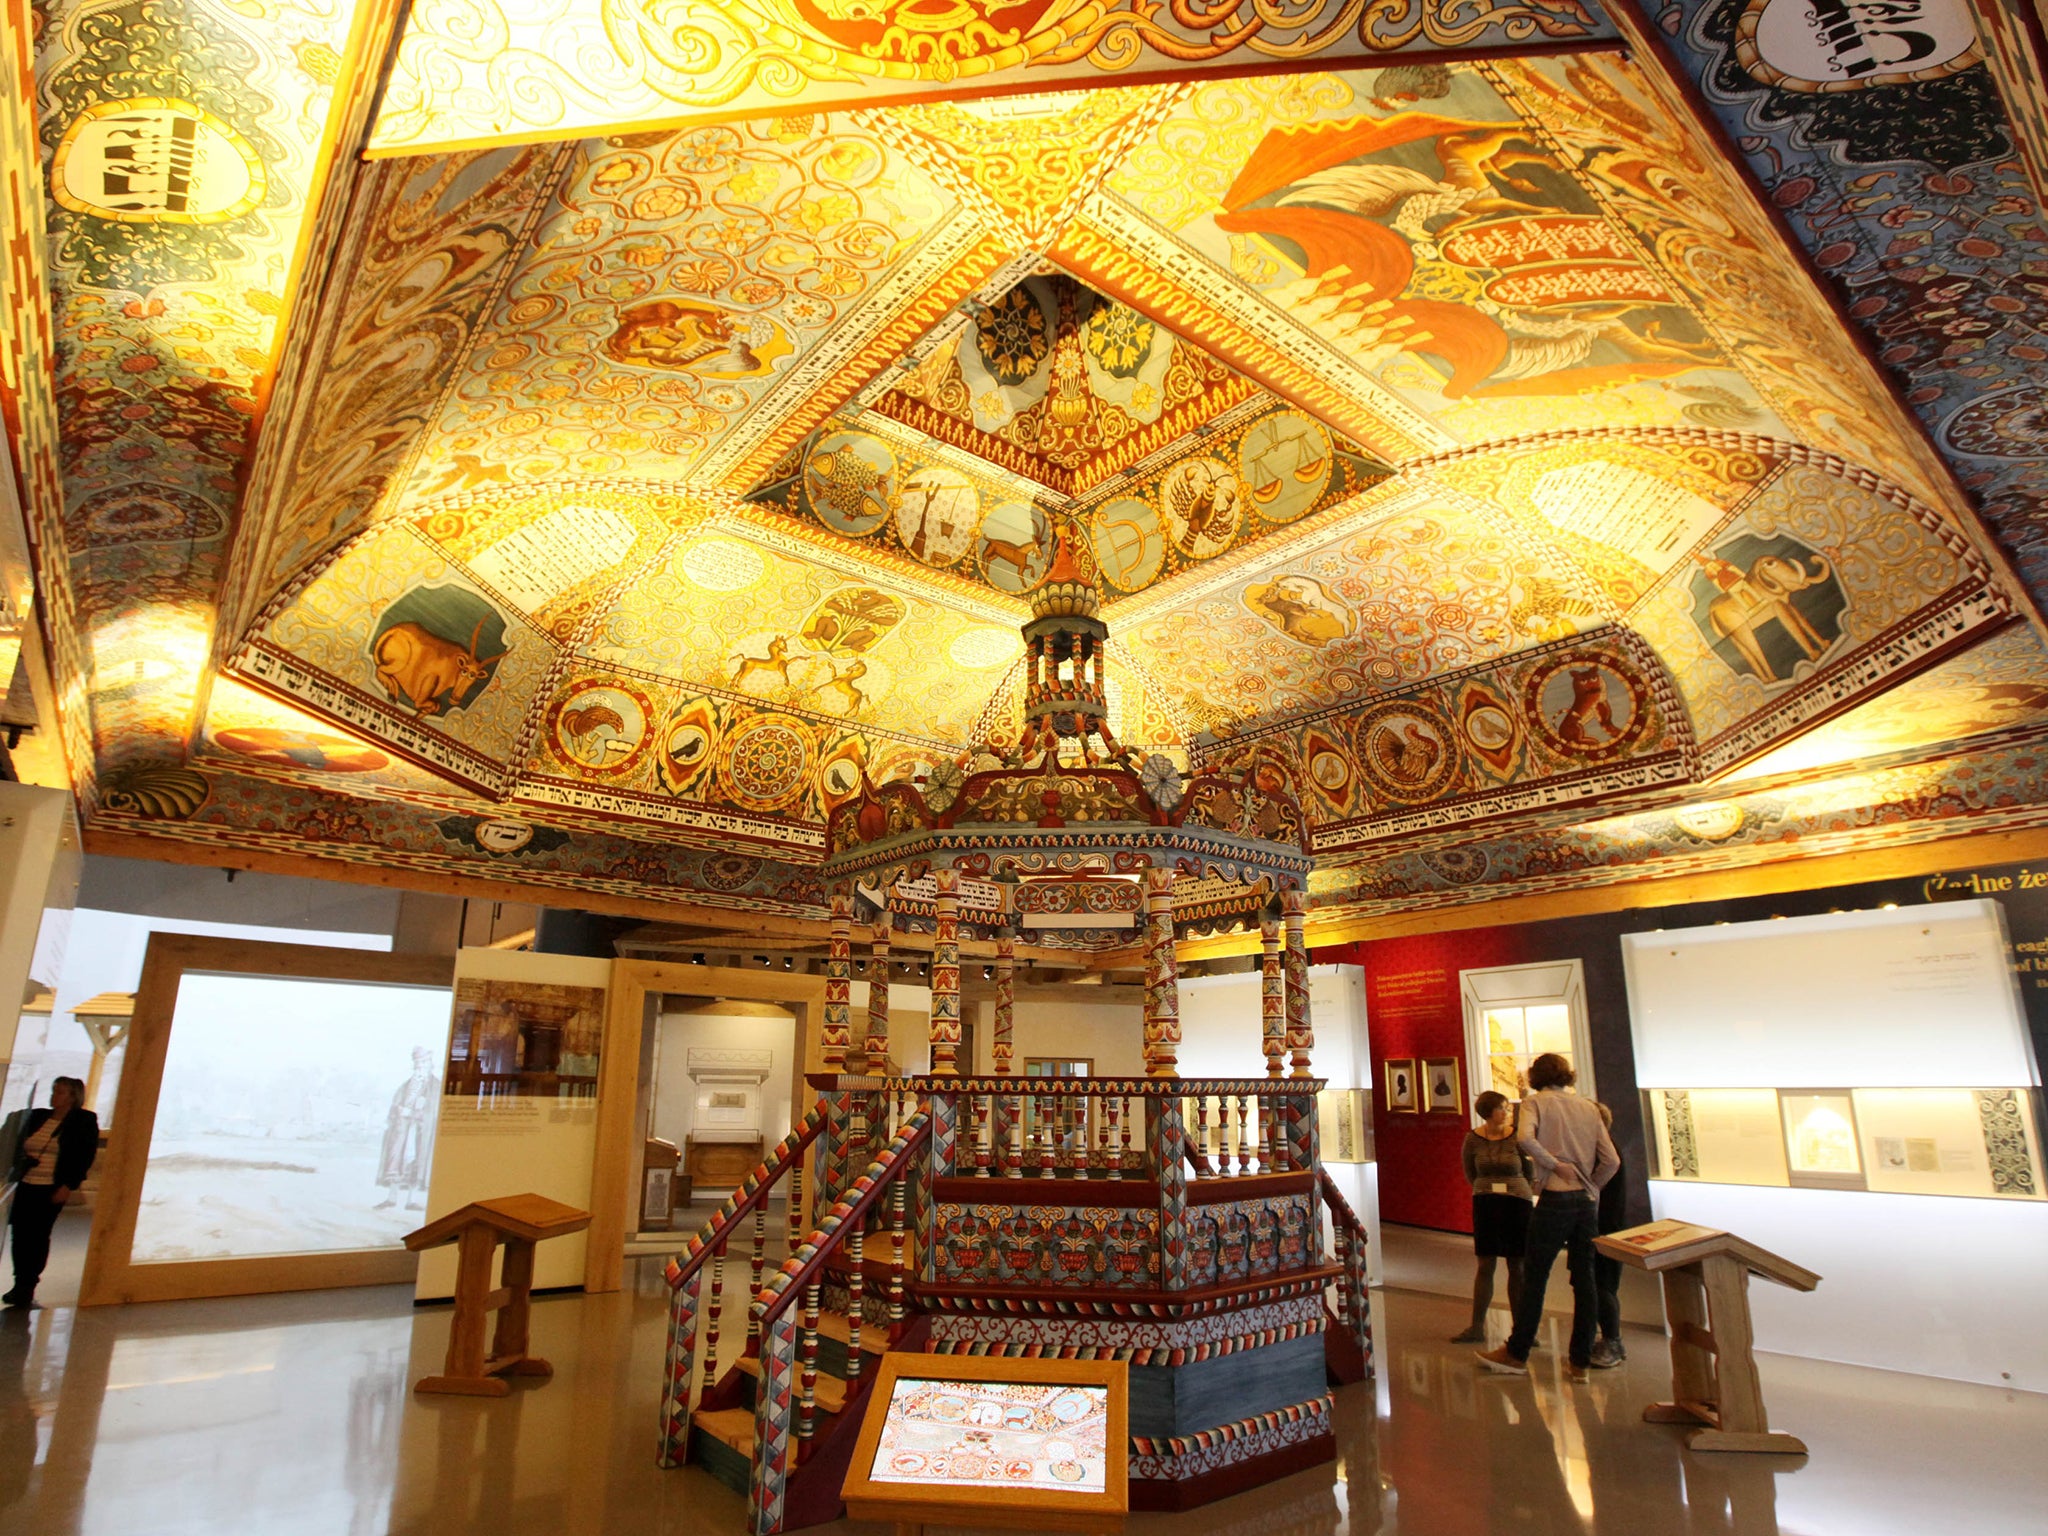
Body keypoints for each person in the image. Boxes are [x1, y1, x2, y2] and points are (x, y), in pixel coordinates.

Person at [1476, 1053, 1618, 1382]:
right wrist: (1591, 1187)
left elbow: (1525, 1138)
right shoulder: (1586, 1106)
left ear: (1535, 1076)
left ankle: (1517, 1352)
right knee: (1585, 1282)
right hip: (1584, 1203)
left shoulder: (1535, 1103)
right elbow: (1610, 1160)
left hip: (1555, 1197)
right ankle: (1580, 1362)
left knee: (1534, 1278)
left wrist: (1554, 1165)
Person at [5, 1077, 99, 1308]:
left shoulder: (83, 1120)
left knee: (37, 1235)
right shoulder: (38, 1117)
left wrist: (68, 1185)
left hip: (51, 1186)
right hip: (27, 1183)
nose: (55, 1096)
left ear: (73, 1097)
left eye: (61, 1092)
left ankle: (28, 1284)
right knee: (20, 1234)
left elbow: (84, 1155)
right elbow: (15, 1128)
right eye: (54, 1091)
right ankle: (19, 1282)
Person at [1451, 1090, 1534, 1343]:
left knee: (1517, 1265)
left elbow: (1528, 1171)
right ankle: (1477, 1326)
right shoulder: (1473, 1139)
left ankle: (1522, 1328)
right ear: (1489, 1111)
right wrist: (1486, 1188)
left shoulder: (1517, 1139)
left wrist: (1516, 1188)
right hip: (1487, 1202)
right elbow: (1470, 1172)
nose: (1506, 1113)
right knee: (1485, 1263)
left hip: (1517, 1203)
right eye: (1502, 1108)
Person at [375, 1048, 439, 1212]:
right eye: (418, 1062)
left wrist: (413, 1113)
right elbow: (395, 1104)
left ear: (430, 1064)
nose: (420, 1065)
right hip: (401, 1131)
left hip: (419, 1133)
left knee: (416, 1163)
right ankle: (391, 1198)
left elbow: (433, 1112)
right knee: (396, 1162)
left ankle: (412, 1200)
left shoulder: (435, 1087)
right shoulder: (406, 1085)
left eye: (424, 1062)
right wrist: (398, 1112)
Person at [1590, 1099, 1628, 1368]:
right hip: (1601, 1225)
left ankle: (1612, 1340)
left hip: (1605, 1226)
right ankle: (1603, 1339)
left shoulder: (1606, 1153)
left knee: (1603, 1286)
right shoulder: (1603, 1149)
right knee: (1596, 1285)